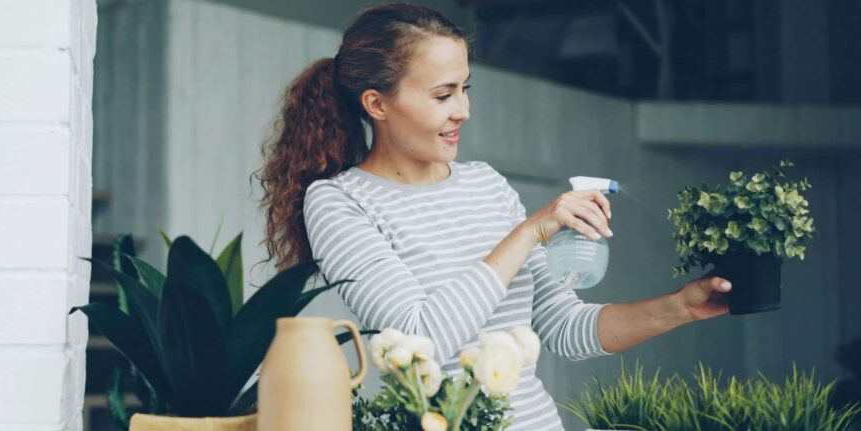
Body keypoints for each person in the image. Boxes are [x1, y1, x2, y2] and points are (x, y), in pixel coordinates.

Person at [254, 3, 732, 429]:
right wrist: (530, 231)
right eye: (443, 95)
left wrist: (681, 307)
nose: (463, 110)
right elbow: (421, 339)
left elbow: (565, 327)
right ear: (377, 103)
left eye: (464, 88)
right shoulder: (340, 202)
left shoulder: (486, 183)